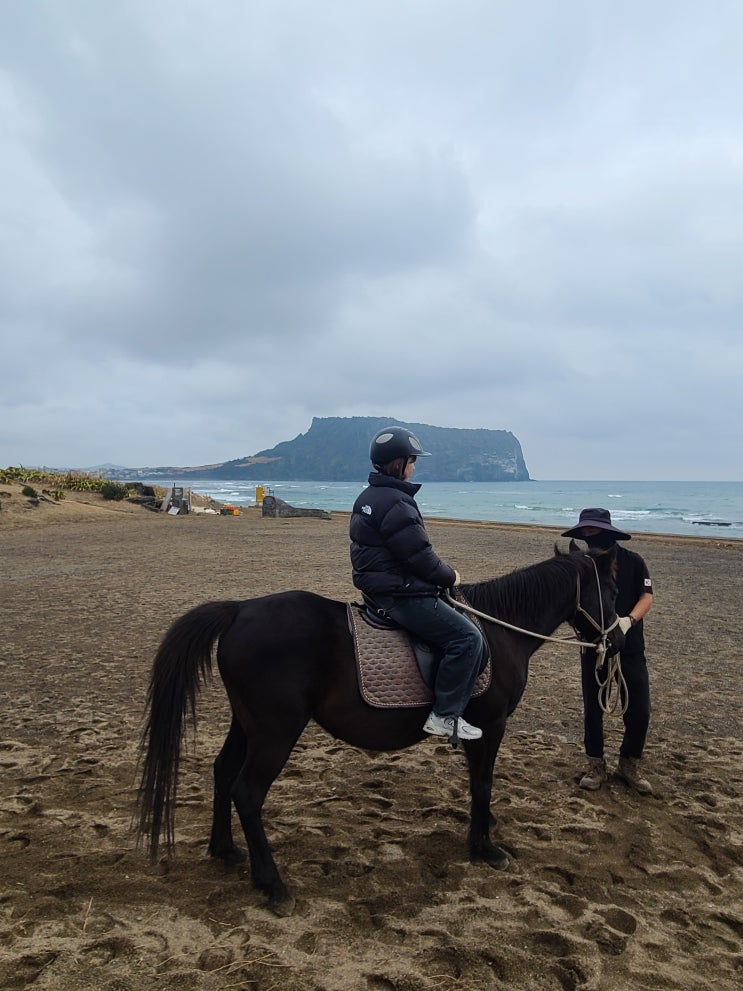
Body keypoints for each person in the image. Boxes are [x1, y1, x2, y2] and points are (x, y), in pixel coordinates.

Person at [350, 426, 486, 742]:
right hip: (400, 594)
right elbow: (419, 558)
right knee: (468, 639)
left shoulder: (369, 496)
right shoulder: (396, 501)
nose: (414, 467)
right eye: (411, 461)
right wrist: (450, 576)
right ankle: (445, 715)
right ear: (398, 463)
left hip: (378, 590)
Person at [562, 508, 654, 794]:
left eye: (594, 531)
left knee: (639, 708)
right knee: (593, 707)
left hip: (630, 645)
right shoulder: (582, 563)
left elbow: (647, 596)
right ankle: (596, 765)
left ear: (608, 532)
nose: (590, 537)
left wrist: (629, 621)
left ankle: (629, 764)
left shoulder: (634, 562)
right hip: (594, 647)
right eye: (585, 532)